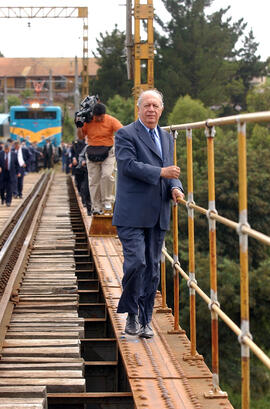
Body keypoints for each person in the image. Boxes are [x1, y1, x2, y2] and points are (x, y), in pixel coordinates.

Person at [112, 89, 184, 339]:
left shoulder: (166, 138)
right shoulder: (125, 134)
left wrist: (176, 188)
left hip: (158, 212)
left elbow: (171, 170)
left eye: (155, 105)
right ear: (139, 109)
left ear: (161, 109)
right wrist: (162, 173)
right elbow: (128, 165)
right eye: (147, 106)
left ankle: (144, 320)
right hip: (131, 213)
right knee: (136, 263)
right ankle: (131, 313)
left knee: (152, 269)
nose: (151, 109)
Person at [81, 103, 122, 215]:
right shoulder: (88, 121)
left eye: (101, 117)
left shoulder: (111, 120)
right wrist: (79, 125)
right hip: (92, 151)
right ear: (93, 115)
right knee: (94, 180)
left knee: (107, 175)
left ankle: (107, 200)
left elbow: (121, 131)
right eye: (97, 117)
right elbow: (80, 136)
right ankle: (96, 206)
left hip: (108, 152)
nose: (99, 119)